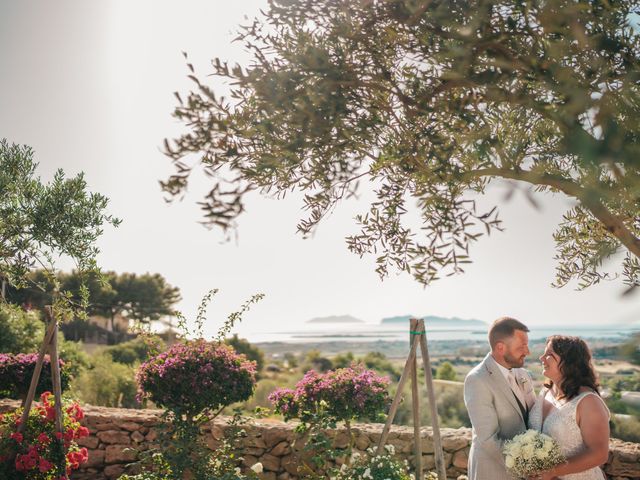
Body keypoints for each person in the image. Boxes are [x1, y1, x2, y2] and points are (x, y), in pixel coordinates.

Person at [464, 317, 537, 480]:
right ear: (500, 347)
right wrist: (527, 466)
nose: (527, 352)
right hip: (493, 472)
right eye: (522, 346)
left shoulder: (523, 374)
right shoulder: (477, 379)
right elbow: (489, 440)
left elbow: (533, 415)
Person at [528, 335, 610, 480]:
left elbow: (599, 454)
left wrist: (552, 471)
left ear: (568, 362)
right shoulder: (546, 391)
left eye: (549, 355)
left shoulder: (588, 401)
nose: (541, 358)